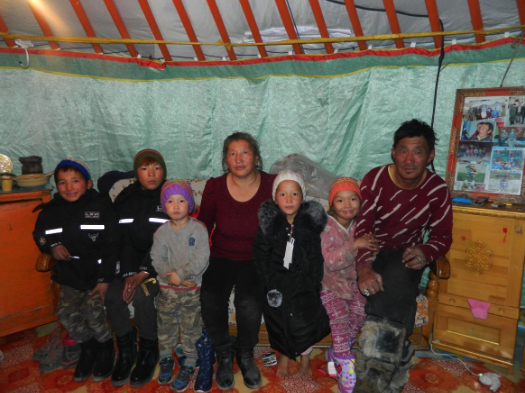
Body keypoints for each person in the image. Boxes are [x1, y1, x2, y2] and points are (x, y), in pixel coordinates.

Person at [354, 119, 453, 392]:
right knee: (383, 287)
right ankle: (397, 355)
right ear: (393, 152)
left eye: (418, 151)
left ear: (430, 155)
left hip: (405, 254)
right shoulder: (374, 179)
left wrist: (426, 251)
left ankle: (373, 375)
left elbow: (443, 236)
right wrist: (363, 266)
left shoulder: (436, 190)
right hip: (371, 248)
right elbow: (361, 227)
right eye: (403, 150)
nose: (409, 159)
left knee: (394, 281)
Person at [198, 132, 276, 390]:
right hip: (221, 254)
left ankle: (244, 353)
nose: (238, 158)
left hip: (257, 257)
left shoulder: (273, 184)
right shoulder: (215, 187)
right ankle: (223, 354)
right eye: (232, 153)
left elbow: (289, 218)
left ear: (255, 157)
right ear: (225, 159)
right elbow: (202, 226)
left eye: (244, 152)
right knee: (210, 296)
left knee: (249, 302)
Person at [33, 158, 120, 382]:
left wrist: (104, 279)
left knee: (92, 312)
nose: (69, 187)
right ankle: (88, 347)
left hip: (98, 273)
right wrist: (52, 246)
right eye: (62, 183)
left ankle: (105, 347)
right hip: (71, 274)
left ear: (88, 184)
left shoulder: (101, 206)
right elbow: (40, 235)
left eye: (75, 181)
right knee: (66, 313)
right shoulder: (51, 211)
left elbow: (113, 245)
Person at [253, 170, 330, 379]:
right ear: (275, 198)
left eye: (294, 194)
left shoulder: (309, 226)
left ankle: (305, 356)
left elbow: (316, 257)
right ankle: (285, 354)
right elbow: (261, 256)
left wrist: (314, 283)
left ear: (302, 198)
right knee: (279, 321)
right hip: (276, 283)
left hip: (303, 281)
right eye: (283, 194)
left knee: (304, 321)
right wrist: (270, 283)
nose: (289, 199)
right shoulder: (268, 226)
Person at [104, 149, 167, 387]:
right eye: (144, 168)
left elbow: (169, 240)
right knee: (112, 296)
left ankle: (149, 351)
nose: (151, 174)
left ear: (164, 171)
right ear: (136, 172)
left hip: (160, 264)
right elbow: (120, 238)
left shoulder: (170, 196)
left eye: (156, 168)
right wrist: (130, 273)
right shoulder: (125, 197)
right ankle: (126, 350)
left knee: (142, 297)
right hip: (129, 262)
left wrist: (143, 272)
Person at [151, 180, 210, 392]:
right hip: (168, 290)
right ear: (164, 206)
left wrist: (183, 275)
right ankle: (166, 357)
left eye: (181, 200)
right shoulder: (161, 232)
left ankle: (190, 362)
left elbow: (202, 258)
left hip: (192, 290)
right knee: (165, 325)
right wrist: (171, 278)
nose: (176, 206)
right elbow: (157, 259)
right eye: (170, 201)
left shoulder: (199, 230)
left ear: (190, 204)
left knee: (191, 326)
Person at [320, 177, 378, 393]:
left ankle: (336, 350)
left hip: (353, 280)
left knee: (360, 312)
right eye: (340, 200)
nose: (347, 205)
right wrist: (354, 245)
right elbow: (331, 262)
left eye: (353, 199)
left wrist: (372, 248)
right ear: (331, 204)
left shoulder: (361, 226)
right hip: (329, 283)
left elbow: (369, 253)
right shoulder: (325, 227)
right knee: (339, 316)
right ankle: (345, 360)